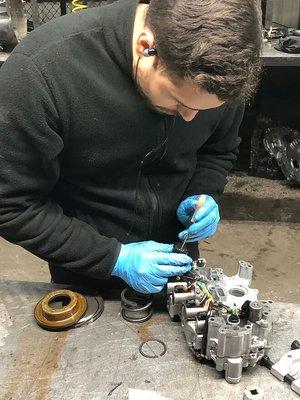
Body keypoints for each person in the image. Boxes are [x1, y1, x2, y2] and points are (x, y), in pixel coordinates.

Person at [0, 0, 262, 293]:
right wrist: (114, 259)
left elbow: (217, 149)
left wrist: (203, 192)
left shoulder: (223, 75)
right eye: (180, 102)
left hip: (177, 262)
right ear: (145, 47)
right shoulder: (41, 73)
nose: (191, 118)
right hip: (86, 273)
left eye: (207, 109)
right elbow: (10, 205)